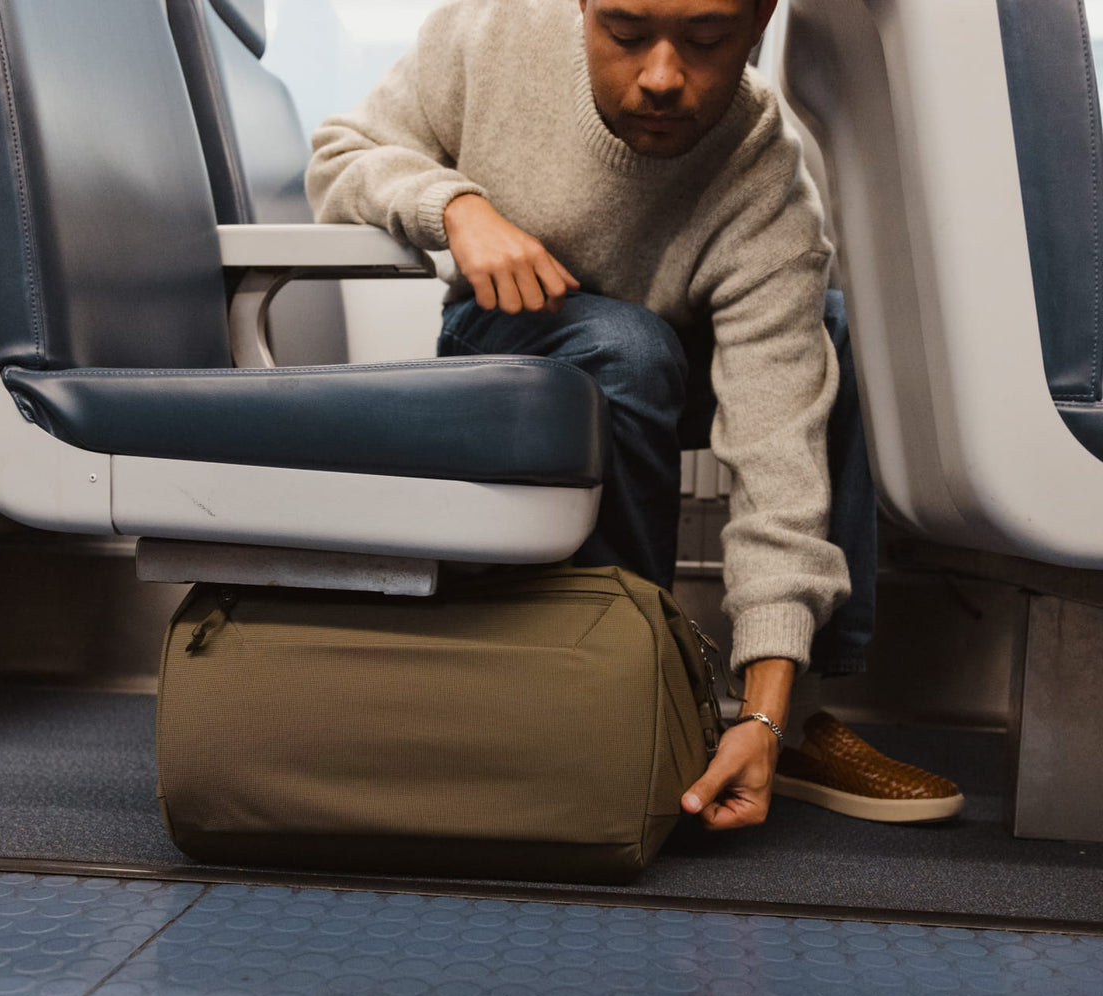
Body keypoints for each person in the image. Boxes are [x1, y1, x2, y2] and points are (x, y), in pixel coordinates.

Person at [306, 0, 962, 830]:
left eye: (705, 41)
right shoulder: (490, 31)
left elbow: (779, 455)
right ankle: (633, 689)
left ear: (758, 21)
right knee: (628, 347)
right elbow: (341, 155)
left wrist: (762, 706)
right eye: (624, 34)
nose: (660, 76)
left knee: (827, 331)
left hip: (664, 357)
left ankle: (788, 723)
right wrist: (456, 207)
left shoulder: (764, 180)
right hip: (509, 344)